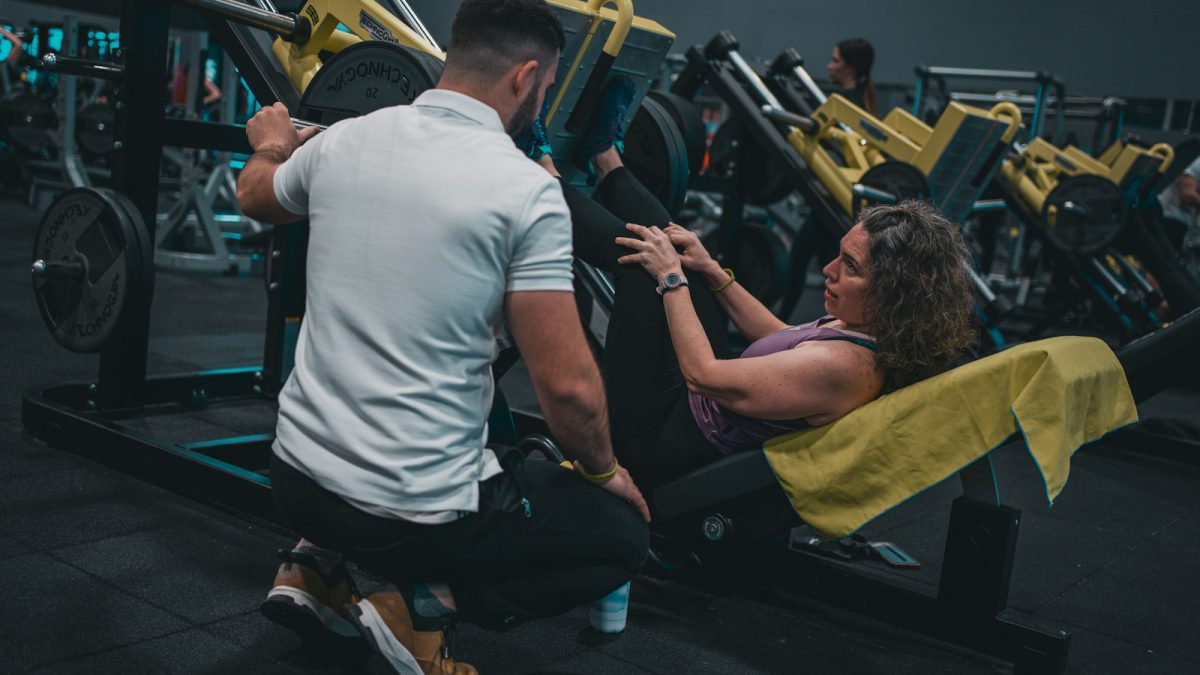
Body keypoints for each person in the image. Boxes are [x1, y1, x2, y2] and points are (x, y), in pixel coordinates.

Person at [236, 1, 650, 673]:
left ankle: (311, 565)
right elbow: (569, 389)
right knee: (621, 537)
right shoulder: (525, 192)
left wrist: (273, 141)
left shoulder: (346, 140)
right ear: (525, 79)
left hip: (292, 476)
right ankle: (424, 608)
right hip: (408, 514)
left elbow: (255, 195)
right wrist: (607, 472)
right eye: (543, 91)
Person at [526, 80, 975, 487]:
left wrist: (670, 279)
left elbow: (704, 376)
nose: (828, 271)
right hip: (694, 404)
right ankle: (606, 158)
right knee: (684, 252)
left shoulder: (844, 368)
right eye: (838, 256)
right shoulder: (867, 330)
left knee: (642, 270)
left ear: (896, 293)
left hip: (657, 440)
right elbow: (783, 337)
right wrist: (711, 271)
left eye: (851, 268)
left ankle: (540, 170)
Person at [1158, 153, 1200, 277]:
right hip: (1170, 216)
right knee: (1163, 262)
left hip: (1185, 222)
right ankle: (1158, 295)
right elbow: (1187, 194)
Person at [826, 37, 876, 115]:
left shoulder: (844, 104)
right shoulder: (862, 99)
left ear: (851, 67)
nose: (829, 66)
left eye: (836, 61)